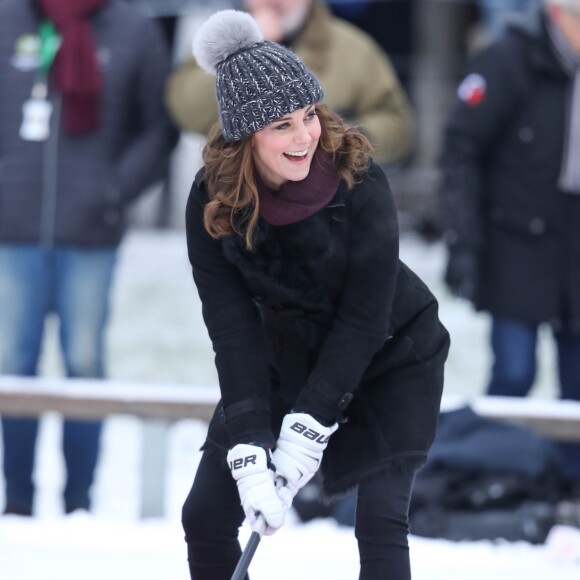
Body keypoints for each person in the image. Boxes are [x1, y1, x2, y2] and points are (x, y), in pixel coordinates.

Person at [181, 9, 450, 579]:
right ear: (244, 137)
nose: (305, 136)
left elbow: (364, 317)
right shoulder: (214, 204)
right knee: (204, 513)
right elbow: (232, 331)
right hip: (283, 354)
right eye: (281, 126)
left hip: (389, 353)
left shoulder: (359, 180)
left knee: (379, 519)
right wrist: (250, 447)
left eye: (308, 115)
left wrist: (308, 427)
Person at [0, 0, 177, 516]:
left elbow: (158, 128)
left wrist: (115, 192)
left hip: (91, 235)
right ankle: (18, 502)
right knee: (14, 366)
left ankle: (80, 502)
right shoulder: (8, 19)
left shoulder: (133, 29)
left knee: (84, 362)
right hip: (13, 229)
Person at [439, 0, 580, 481]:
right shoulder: (509, 61)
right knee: (514, 372)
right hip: (516, 244)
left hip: (575, 248)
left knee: (578, 380)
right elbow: (461, 146)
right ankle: (488, 471)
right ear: (559, 15)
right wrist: (463, 240)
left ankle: (569, 485)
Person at [165, 0, 414, 167]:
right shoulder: (218, 45)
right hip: (238, 205)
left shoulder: (354, 48)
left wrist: (344, 138)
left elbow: (398, 126)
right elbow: (186, 111)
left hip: (332, 209)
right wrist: (239, 53)